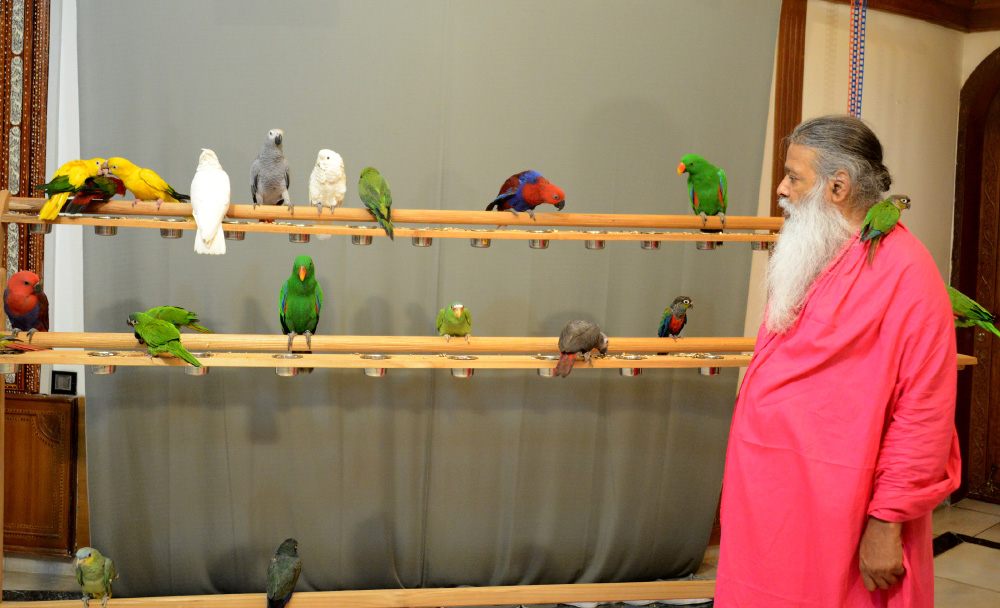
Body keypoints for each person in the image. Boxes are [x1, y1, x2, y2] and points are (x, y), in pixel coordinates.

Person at [714, 115, 960, 607]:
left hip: (841, 511)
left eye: (794, 177)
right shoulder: (811, 252)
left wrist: (887, 522)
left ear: (838, 187)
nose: (782, 188)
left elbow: (924, 413)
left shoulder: (907, 273)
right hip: (769, 501)